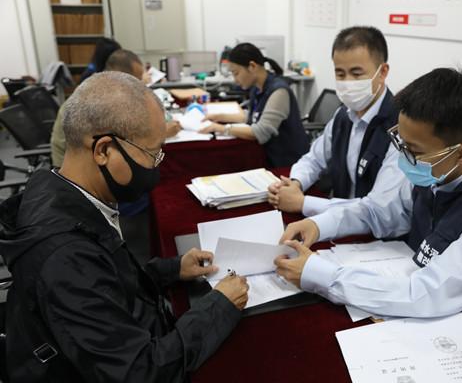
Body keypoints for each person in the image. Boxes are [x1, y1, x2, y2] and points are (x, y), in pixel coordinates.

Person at [0, 72, 249, 382]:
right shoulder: (65, 255)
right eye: (152, 153)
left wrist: (171, 270)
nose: (156, 165)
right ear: (103, 150)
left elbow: (110, 282)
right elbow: (140, 373)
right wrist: (219, 307)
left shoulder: (60, 189)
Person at [274, 68, 462, 345]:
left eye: (413, 150)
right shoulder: (434, 171)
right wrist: (318, 224)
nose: (403, 157)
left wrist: (321, 275)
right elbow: (378, 211)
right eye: (400, 142)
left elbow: (428, 294)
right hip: (426, 308)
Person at [267, 26, 404, 218]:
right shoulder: (343, 115)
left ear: (382, 72)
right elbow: (314, 159)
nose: (347, 82)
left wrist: (303, 203)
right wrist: (295, 183)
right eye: (340, 74)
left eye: (356, 73)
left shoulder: (400, 127)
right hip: (337, 219)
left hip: (374, 229)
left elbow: (380, 209)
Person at [51, 49, 181, 167]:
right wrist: (161, 133)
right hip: (77, 171)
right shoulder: (101, 100)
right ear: (121, 77)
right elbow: (128, 144)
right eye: (136, 80)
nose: (139, 87)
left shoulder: (103, 90)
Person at [199, 42, 309, 167]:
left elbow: (260, 132)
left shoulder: (279, 91)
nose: (235, 80)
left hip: (288, 164)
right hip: (267, 157)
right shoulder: (257, 88)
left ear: (252, 66)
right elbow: (253, 117)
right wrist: (219, 117)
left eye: (236, 73)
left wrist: (222, 129)